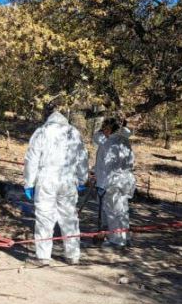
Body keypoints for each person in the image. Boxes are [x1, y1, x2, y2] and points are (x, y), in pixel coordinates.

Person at [24, 98, 89, 266]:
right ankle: (73, 255)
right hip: (68, 180)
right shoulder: (73, 132)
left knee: (45, 217)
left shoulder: (41, 132)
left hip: (46, 179)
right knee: (69, 217)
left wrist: (29, 183)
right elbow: (82, 157)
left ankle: (44, 256)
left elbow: (32, 159)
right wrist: (82, 179)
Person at [94, 118, 137, 248]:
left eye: (104, 129)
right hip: (125, 181)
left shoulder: (109, 144)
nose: (103, 132)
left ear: (108, 129)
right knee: (123, 210)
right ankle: (125, 237)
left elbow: (105, 166)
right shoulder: (125, 141)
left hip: (112, 182)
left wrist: (100, 182)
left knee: (113, 212)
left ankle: (117, 240)